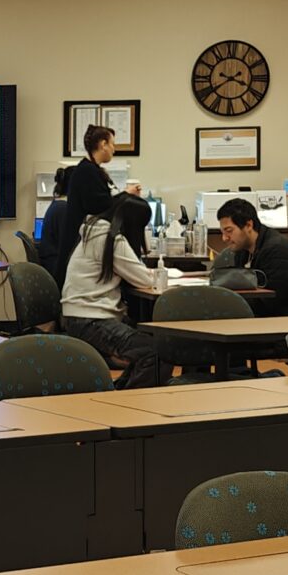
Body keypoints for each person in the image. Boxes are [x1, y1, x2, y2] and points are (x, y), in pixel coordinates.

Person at [60, 195, 167, 389]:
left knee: (148, 343)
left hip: (79, 315)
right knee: (157, 352)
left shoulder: (94, 231)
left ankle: (120, 392)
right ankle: (133, 402)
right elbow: (143, 279)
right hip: (92, 318)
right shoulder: (111, 239)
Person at [46, 123, 141, 282]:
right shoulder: (87, 172)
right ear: (103, 144)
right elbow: (101, 207)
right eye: (112, 144)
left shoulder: (89, 170)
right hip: (78, 249)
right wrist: (127, 194)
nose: (114, 150)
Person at [214, 196, 288, 317]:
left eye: (229, 231)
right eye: (222, 232)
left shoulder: (277, 249)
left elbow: (270, 300)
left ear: (249, 225)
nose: (224, 238)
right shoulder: (242, 249)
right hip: (265, 315)